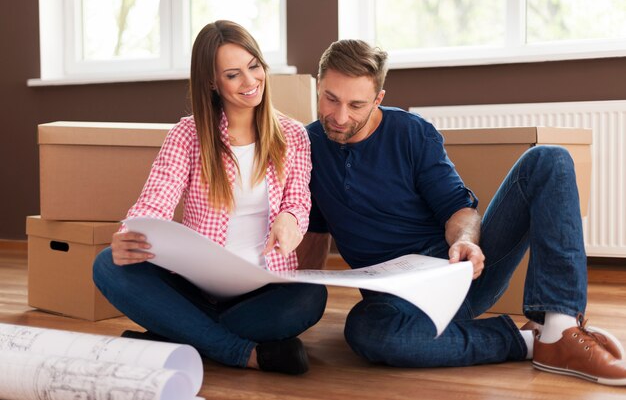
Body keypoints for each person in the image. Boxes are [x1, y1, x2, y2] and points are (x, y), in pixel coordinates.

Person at [297, 38, 626, 385]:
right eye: (330, 98)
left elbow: (458, 209)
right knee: (368, 332)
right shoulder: (308, 145)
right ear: (319, 84)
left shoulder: (412, 133)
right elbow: (315, 231)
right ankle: (532, 342)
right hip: (400, 302)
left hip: (459, 272)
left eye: (356, 104)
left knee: (548, 159)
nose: (339, 116)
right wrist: (296, 293)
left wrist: (466, 242)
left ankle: (560, 328)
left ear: (378, 98)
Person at [92, 20, 327, 375]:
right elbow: (155, 201)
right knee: (108, 265)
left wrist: (291, 220)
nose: (250, 82)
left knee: (311, 297)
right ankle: (241, 352)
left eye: (254, 66)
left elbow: (298, 202)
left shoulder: (293, 135)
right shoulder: (188, 135)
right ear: (211, 82)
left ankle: (174, 334)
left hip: (264, 286)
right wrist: (129, 235)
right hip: (195, 285)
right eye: (233, 75)